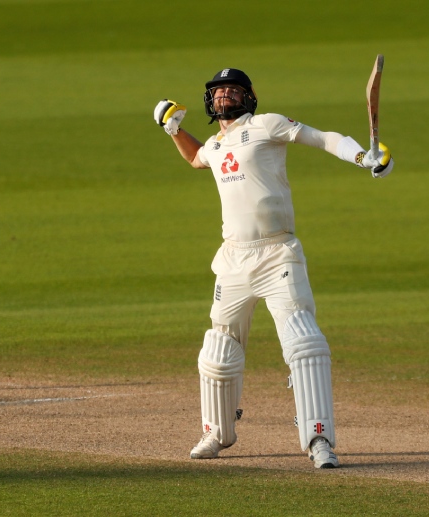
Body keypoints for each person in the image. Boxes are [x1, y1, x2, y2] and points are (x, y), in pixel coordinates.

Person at [153, 68, 393, 469]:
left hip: (277, 253)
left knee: (305, 342)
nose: (225, 95)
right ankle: (217, 431)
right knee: (219, 348)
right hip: (233, 257)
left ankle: (319, 440)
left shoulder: (267, 125)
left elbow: (322, 138)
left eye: (232, 89)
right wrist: (174, 129)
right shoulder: (213, 144)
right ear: (210, 102)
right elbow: (197, 159)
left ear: (249, 96)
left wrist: (362, 155)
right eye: (218, 91)